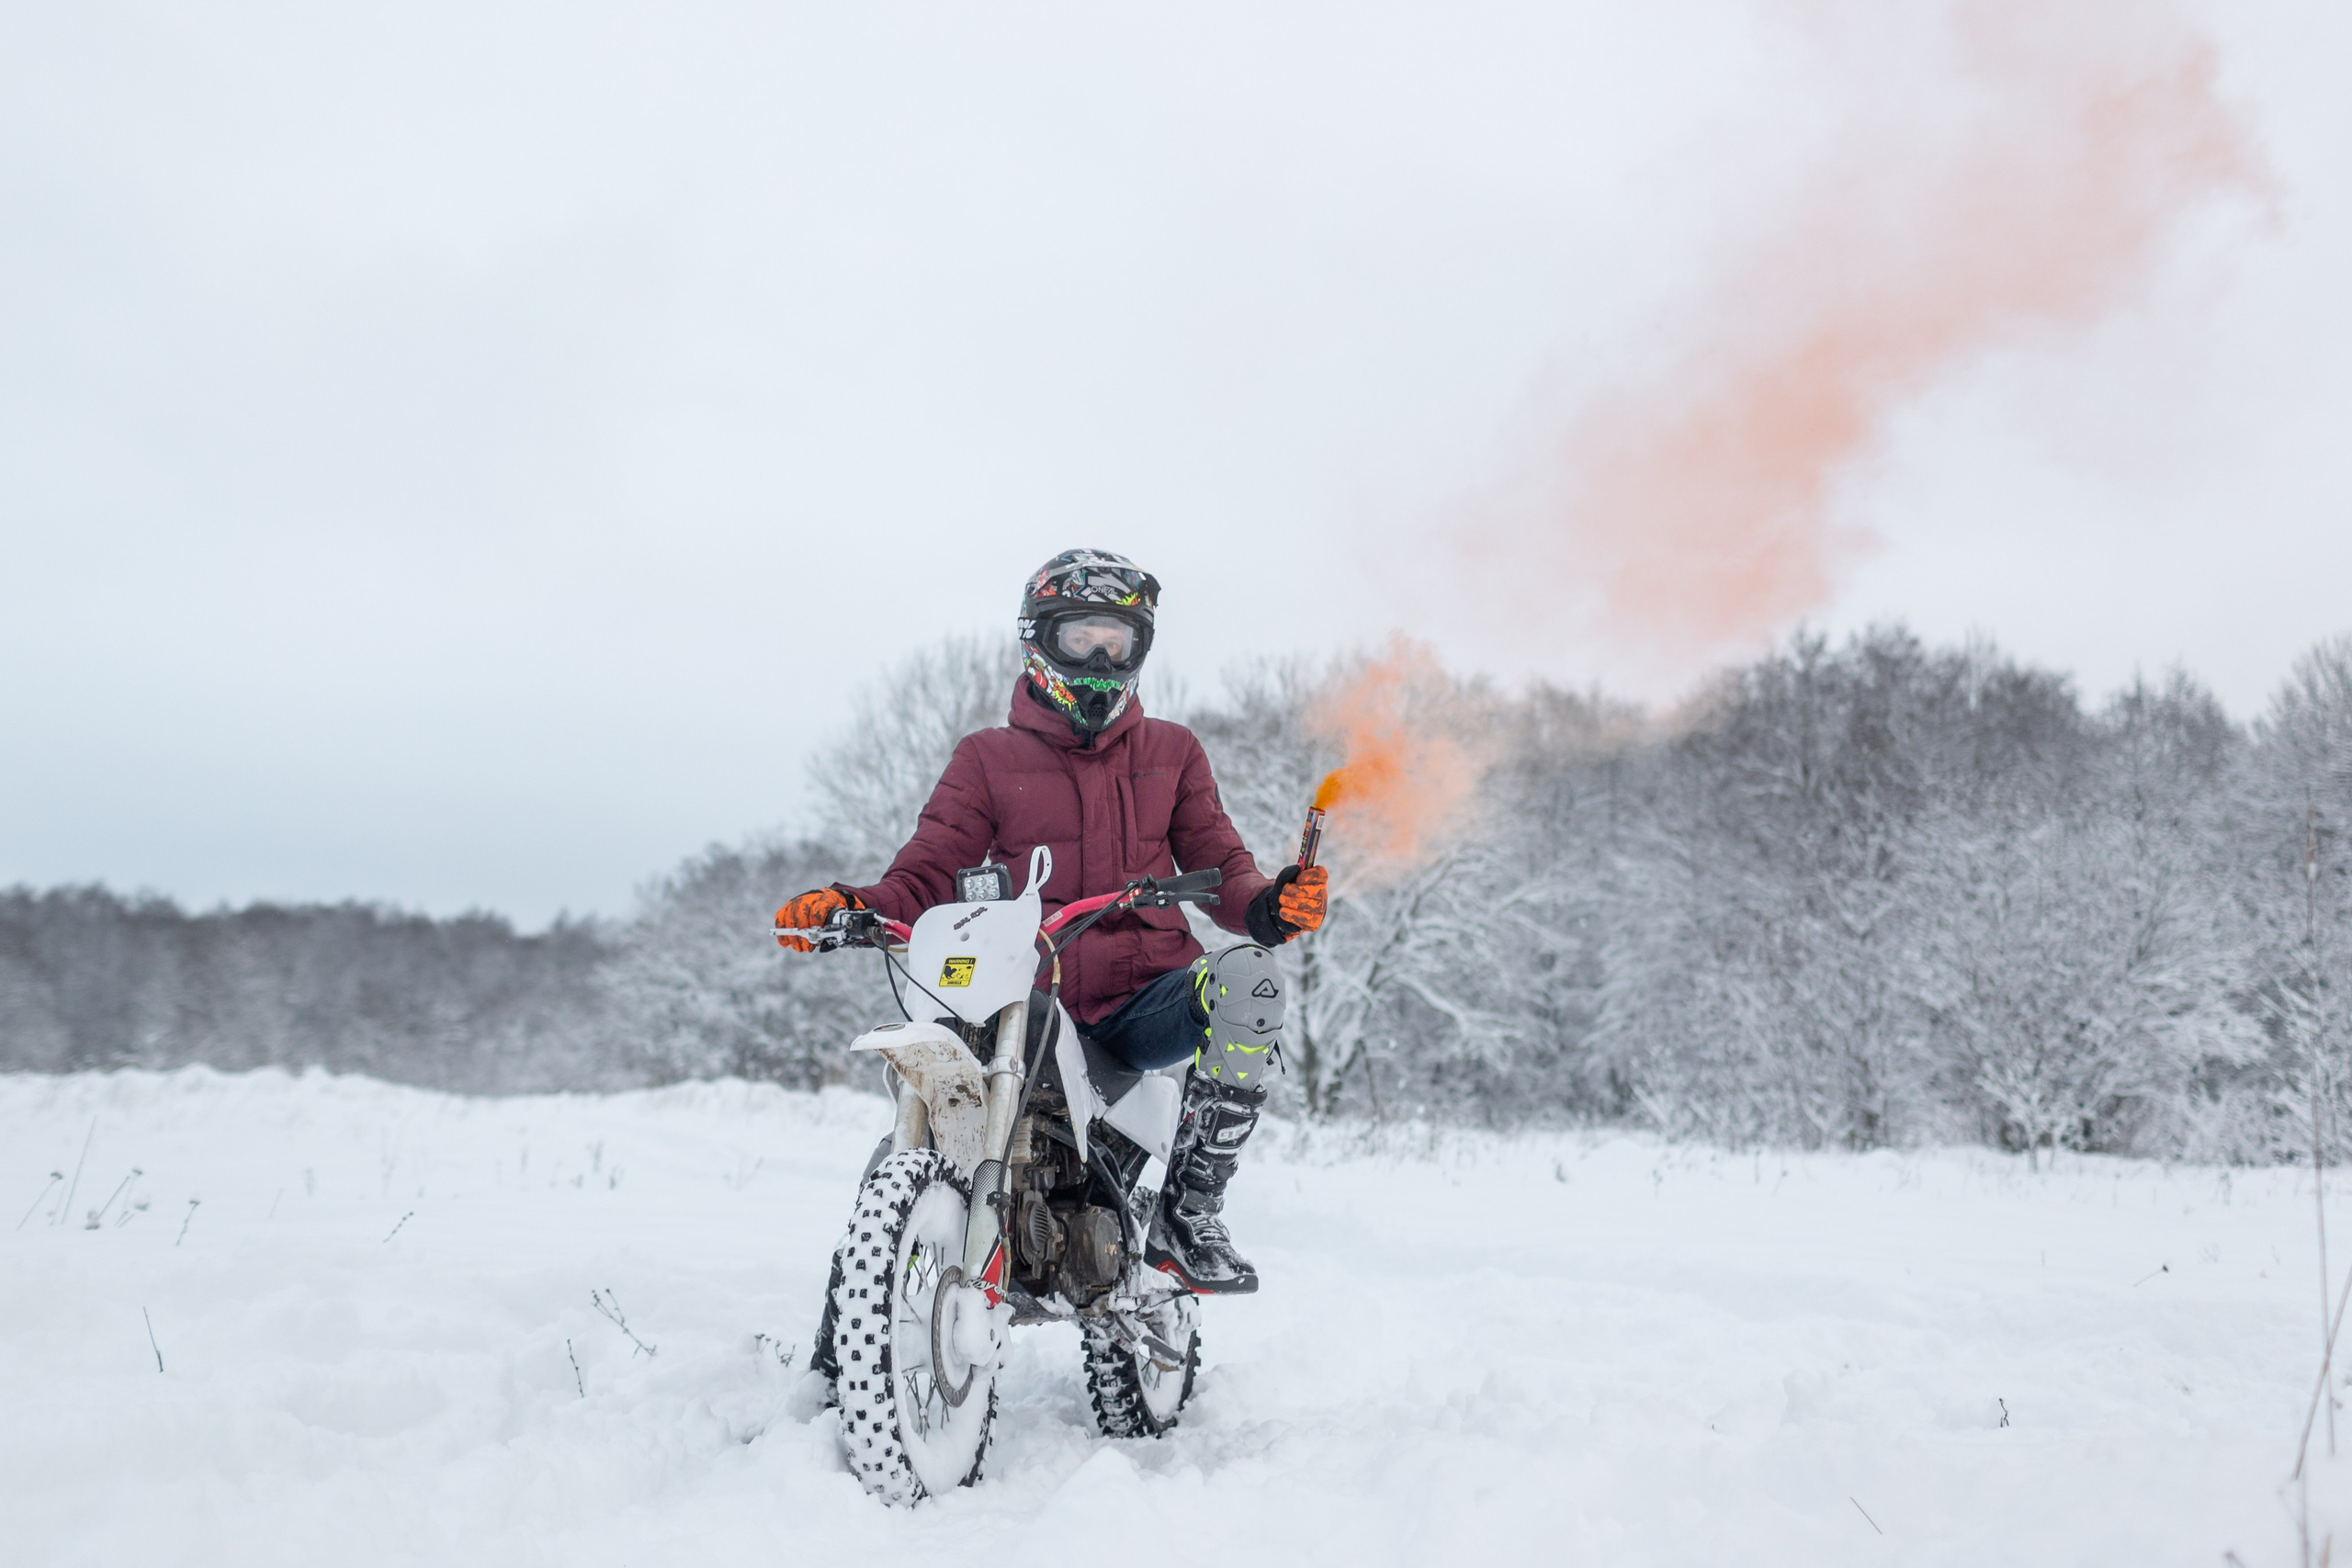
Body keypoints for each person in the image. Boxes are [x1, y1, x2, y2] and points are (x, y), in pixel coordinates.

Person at [774, 548, 1328, 1293]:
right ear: (1039, 639)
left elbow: (1222, 865)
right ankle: (848, 1333)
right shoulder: (987, 759)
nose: (1101, 657)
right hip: (1032, 1001)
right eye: (1081, 638)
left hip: (1146, 1005)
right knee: (932, 1094)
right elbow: (928, 869)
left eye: (1118, 641)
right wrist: (857, 905)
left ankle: (1190, 1213)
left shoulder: (1174, 751)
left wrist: (1267, 903)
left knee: (1250, 980)